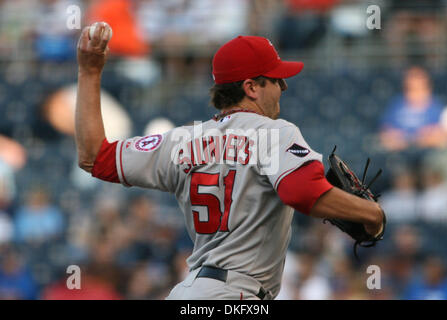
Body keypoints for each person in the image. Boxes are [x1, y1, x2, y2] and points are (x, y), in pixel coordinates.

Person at [75, 22, 384, 300]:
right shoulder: (274, 132)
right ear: (251, 87)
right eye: (276, 79)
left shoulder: (183, 139)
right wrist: (371, 213)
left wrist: (89, 72)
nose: (284, 87)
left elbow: (95, 158)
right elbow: (301, 191)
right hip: (236, 296)